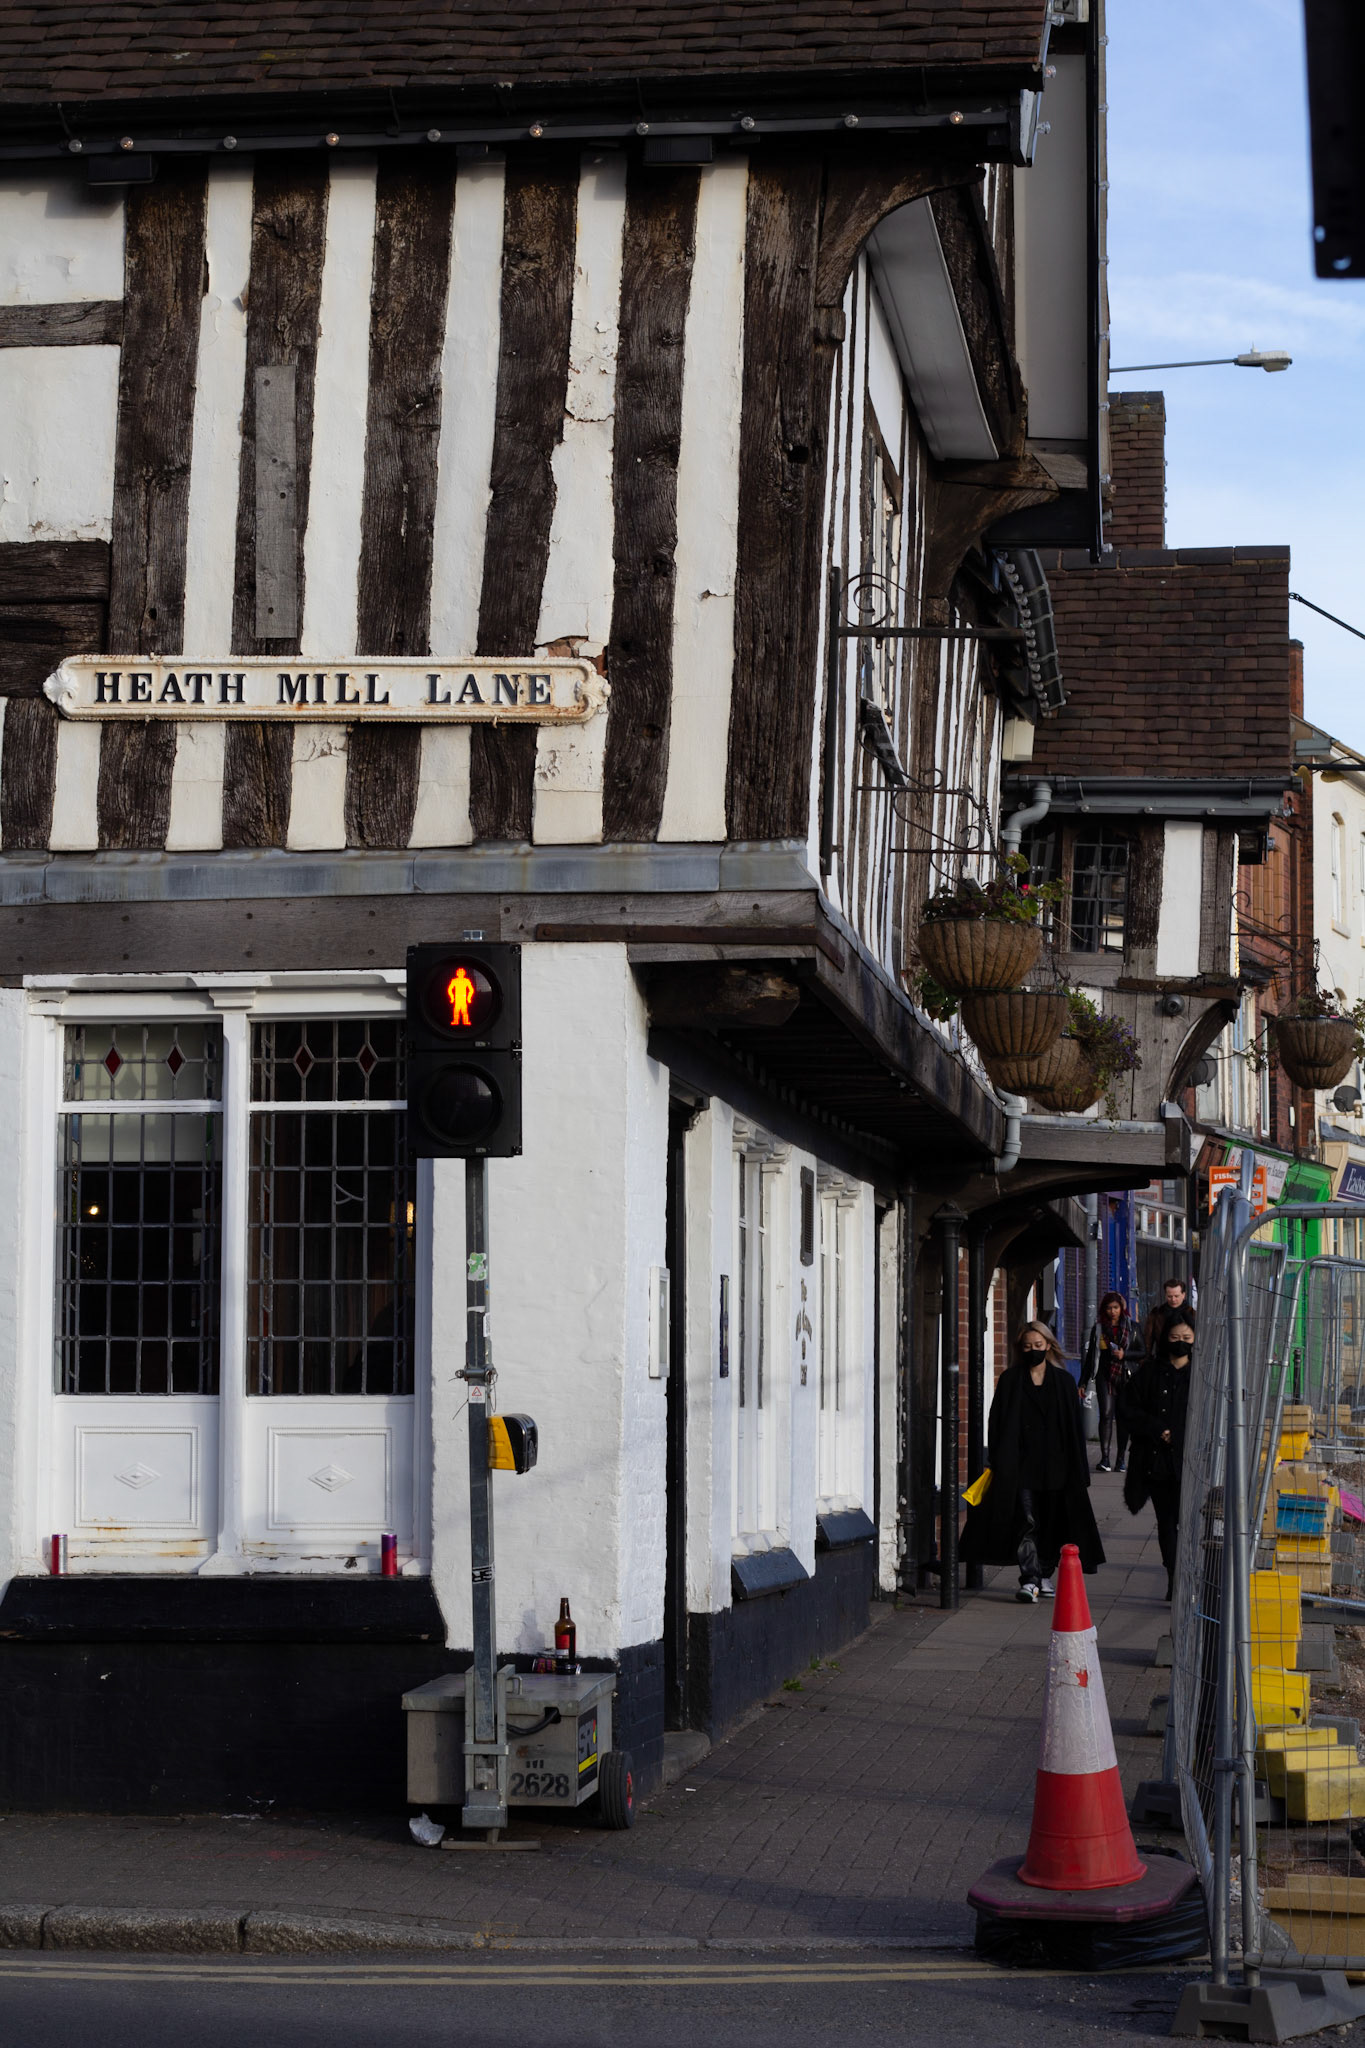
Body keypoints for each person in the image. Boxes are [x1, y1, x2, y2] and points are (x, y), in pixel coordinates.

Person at [961, 1319, 1105, 1603]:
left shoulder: (1063, 1382)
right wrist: (998, 1458)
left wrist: (1079, 1469)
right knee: (1026, 1521)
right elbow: (996, 1420)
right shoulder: (1011, 1380)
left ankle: (1044, 1574)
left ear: (1049, 1345)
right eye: (1027, 1346)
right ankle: (1030, 1578)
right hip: (1020, 1465)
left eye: (1038, 1345)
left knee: (1052, 1522)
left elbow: (1074, 1428)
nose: (1033, 1351)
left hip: (1057, 1466)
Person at [1124, 1311, 1197, 1602]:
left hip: (1191, 1463)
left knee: (1189, 1524)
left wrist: (1178, 1434)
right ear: (1165, 1339)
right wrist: (1157, 1429)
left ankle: (1190, 1576)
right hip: (1157, 1464)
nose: (1180, 1343)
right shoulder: (1150, 1372)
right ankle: (1174, 1577)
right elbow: (1128, 1407)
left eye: (1187, 1339)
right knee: (1167, 1523)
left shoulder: (1201, 1374)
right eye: (1175, 1338)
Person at [1080, 1290, 1140, 1475]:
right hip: (1104, 1376)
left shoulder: (1133, 1327)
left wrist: (1125, 1354)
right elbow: (1091, 1357)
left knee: (1122, 1419)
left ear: (1122, 1308)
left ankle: (1121, 1459)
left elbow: (1143, 1352)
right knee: (1106, 1415)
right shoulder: (1098, 1329)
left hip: (1126, 1376)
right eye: (1108, 1308)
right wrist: (1082, 1382)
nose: (1112, 1311)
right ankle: (1105, 1458)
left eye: (1115, 1307)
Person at [1143, 1275, 1191, 1360]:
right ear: (1165, 1295)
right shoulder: (1157, 1314)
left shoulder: (1192, 1314)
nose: (1173, 1300)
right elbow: (1148, 1342)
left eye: (1176, 1296)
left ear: (1183, 1295)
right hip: (1163, 1362)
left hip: (1186, 1362)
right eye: (1170, 1296)